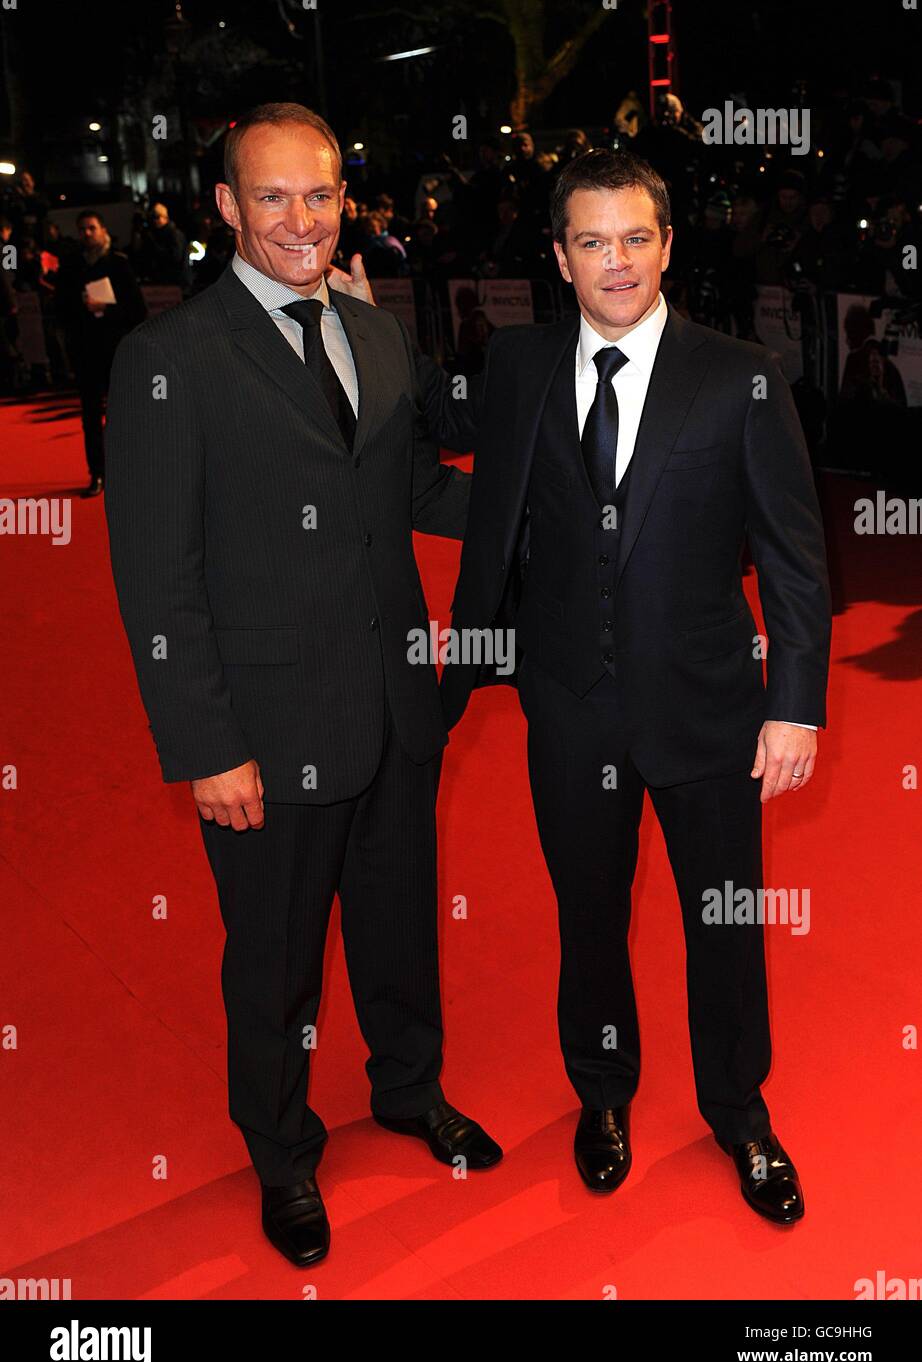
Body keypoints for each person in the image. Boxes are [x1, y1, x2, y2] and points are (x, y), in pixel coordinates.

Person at [371, 149, 830, 1223]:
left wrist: (794, 703)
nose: (615, 262)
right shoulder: (524, 366)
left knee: (723, 921)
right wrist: (363, 321)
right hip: (570, 707)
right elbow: (446, 430)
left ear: (667, 244)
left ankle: (740, 1112)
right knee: (590, 919)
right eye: (591, 241)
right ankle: (604, 1094)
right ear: (559, 255)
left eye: (635, 237)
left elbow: (797, 557)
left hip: (710, 709)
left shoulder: (741, 375)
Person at [103, 102, 501, 1270]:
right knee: (273, 958)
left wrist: (551, 518)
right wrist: (203, 745)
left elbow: (420, 490)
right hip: (265, 734)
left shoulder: (374, 334)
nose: (298, 220)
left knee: (396, 923)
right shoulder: (168, 359)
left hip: (393, 702)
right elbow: (156, 579)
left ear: (344, 200)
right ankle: (281, 1153)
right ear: (224, 207)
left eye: (318, 195)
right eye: (269, 196)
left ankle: (408, 1088)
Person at [54, 210, 146, 495]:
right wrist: (81, 305)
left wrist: (107, 308)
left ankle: (128, 471)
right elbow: (59, 309)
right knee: (90, 416)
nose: (87, 233)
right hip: (85, 351)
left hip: (117, 350)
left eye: (92, 228)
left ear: (103, 229)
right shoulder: (71, 266)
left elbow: (138, 311)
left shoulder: (119, 265)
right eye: (82, 229)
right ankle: (97, 474)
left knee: (123, 415)